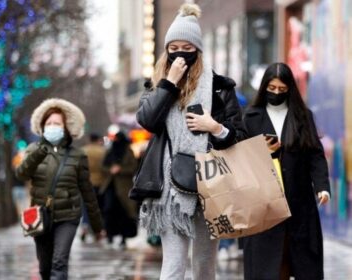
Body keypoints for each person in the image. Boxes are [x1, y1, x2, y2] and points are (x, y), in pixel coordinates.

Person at [134, 4, 246, 279]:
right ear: (166, 50)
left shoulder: (220, 87)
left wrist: (215, 127)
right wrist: (169, 84)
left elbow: (239, 136)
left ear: (198, 49)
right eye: (174, 48)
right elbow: (147, 120)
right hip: (170, 192)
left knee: (205, 267)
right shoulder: (156, 85)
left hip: (211, 186)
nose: (180, 53)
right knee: (173, 266)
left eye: (187, 47)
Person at [242, 62, 331, 280]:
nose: (276, 94)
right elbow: (240, 158)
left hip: (299, 204)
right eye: (271, 89)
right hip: (264, 206)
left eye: (281, 90)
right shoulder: (251, 116)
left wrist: (322, 187)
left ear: (290, 89)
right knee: (269, 267)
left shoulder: (303, 116)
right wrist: (261, 150)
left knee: (303, 265)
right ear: (264, 88)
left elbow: (315, 155)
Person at [16, 98, 103, 280]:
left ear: (65, 127)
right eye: (49, 123)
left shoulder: (78, 156)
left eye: (57, 123)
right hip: (40, 216)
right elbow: (21, 175)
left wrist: (97, 226)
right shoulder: (33, 149)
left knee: (59, 262)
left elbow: (88, 193)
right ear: (42, 126)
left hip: (68, 216)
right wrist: (38, 153)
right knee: (45, 267)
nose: (53, 126)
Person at [102, 131, 138, 249]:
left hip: (124, 188)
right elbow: (103, 166)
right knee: (109, 210)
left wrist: (120, 170)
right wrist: (110, 170)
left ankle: (123, 237)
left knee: (124, 213)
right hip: (110, 186)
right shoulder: (110, 152)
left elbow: (133, 167)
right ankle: (110, 235)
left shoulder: (128, 152)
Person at [81, 133, 106, 242]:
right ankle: (98, 230)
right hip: (100, 183)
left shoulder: (82, 151)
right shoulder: (103, 151)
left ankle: (85, 225)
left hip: (85, 182)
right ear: (98, 140)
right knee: (98, 208)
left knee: (86, 207)